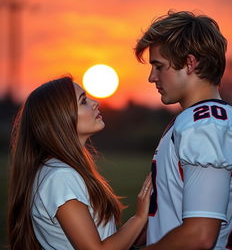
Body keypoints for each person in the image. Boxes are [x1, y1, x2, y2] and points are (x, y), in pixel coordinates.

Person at [134, 10, 232, 249]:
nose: (151, 77)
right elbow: (167, 221)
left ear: (189, 63)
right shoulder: (191, 121)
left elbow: (200, 235)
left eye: (159, 66)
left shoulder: (207, 124)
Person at [8, 76, 152, 250]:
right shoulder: (60, 177)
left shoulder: (56, 170)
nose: (95, 102)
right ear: (59, 119)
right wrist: (139, 217)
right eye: (83, 101)